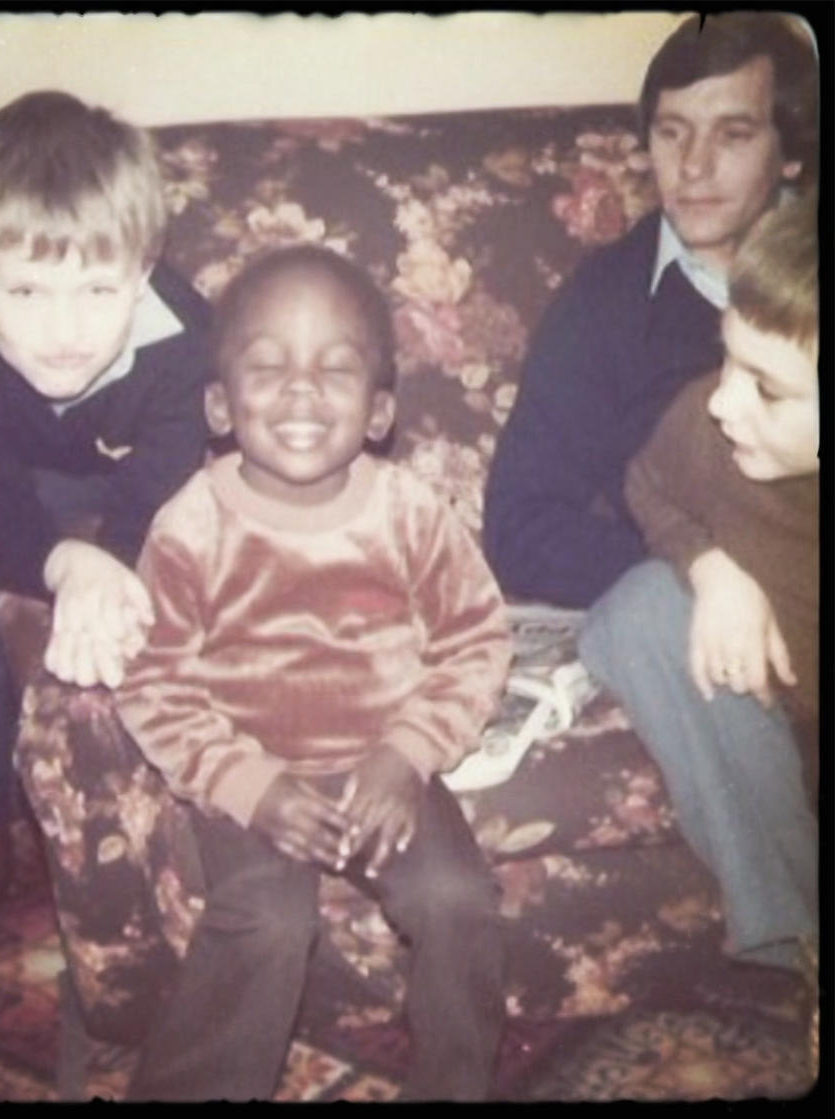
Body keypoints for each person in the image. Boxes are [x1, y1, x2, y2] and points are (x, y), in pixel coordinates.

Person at [113, 244, 513, 1101]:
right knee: (267, 913)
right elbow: (152, 680)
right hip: (252, 768)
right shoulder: (189, 526)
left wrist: (406, 754)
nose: (302, 391)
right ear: (220, 404)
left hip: (381, 764)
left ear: (379, 411)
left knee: (456, 897)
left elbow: (476, 638)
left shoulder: (409, 511)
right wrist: (253, 786)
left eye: (337, 370)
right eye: (268, 368)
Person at [0, 90, 213, 993]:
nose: (63, 330)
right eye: (25, 291)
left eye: (97, 291)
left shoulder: (189, 344)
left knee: (166, 568)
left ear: (144, 270)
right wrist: (56, 560)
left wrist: (106, 558)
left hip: (119, 478)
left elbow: (160, 487)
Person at [483, 11, 817, 608]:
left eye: (733, 134)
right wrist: (695, 575)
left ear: (790, 155)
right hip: (709, 612)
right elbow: (522, 523)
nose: (693, 166)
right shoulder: (602, 308)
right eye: (672, 132)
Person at [578, 195, 818, 978]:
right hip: (758, 707)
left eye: (768, 389)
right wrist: (716, 573)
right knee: (639, 607)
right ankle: (795, 933)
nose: (723, 401)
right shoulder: (703, 423)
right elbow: (648, 483)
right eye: (729, 359)